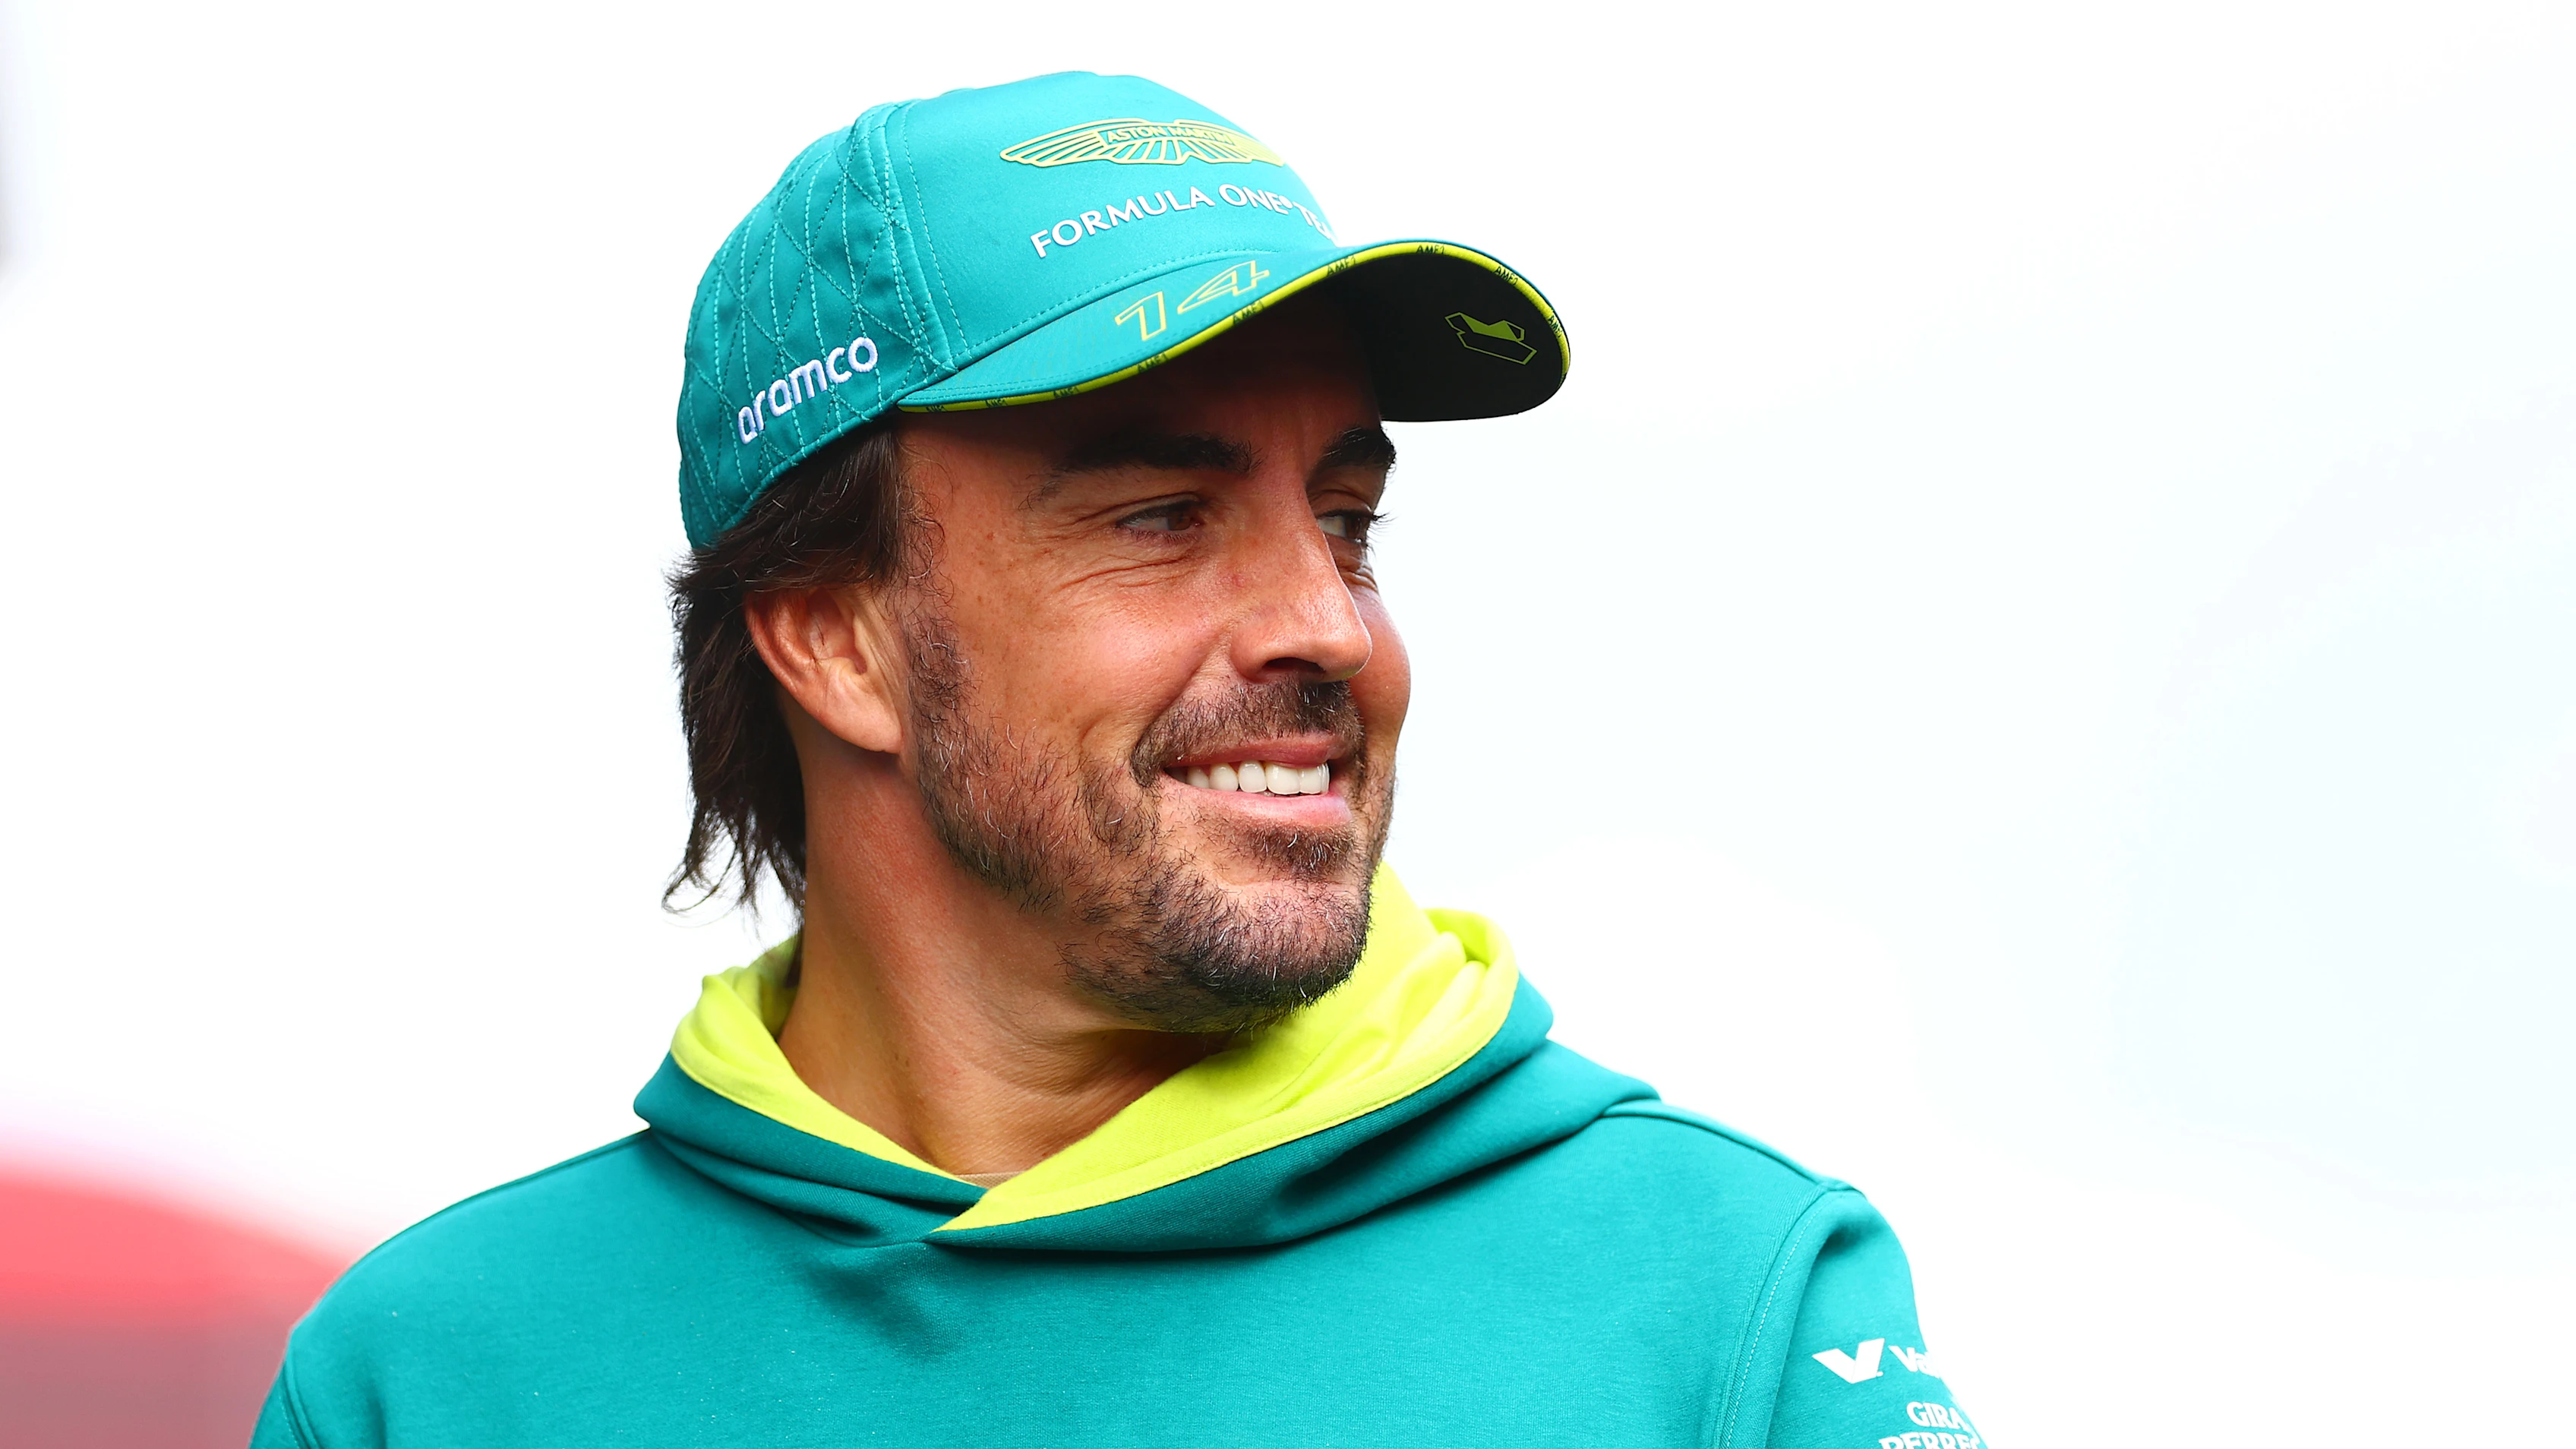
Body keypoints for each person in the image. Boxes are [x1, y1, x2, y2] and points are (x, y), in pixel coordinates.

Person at [252, 71, 1985, 1449]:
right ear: (837, 640)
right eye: (1163, 518)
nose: (1330, 625)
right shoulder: (437, 1381)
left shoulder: (1727, 1308)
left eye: (1348, 520)